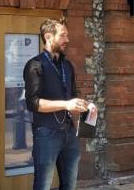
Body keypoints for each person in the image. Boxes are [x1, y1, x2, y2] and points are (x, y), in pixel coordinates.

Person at [23, 18, 90, 190]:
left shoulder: (67, 65)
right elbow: (33, 103)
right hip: (46, 134)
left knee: (69, 185)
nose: (67, 40)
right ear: (48, 37)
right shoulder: (35, 65)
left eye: (67, 35)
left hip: (69, 133)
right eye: (62, 35)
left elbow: (72, 96)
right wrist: (67, 105)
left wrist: (86, 107)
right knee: (43, 185)